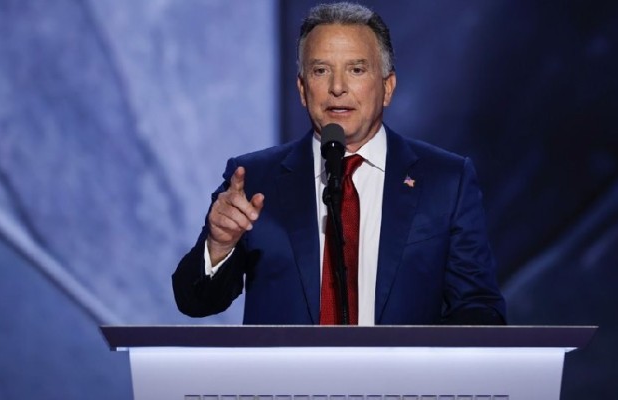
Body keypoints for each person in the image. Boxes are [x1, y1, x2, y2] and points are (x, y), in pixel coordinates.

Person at [172, 2, 506, 325]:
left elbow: (479, 309)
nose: (337, 88)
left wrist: (420, 359)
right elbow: (194, 301)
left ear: (387, 87)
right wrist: (219, 246)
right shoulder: (253, 180)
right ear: (302, 89)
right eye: (321, 71)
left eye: (356, 70)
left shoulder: (446, 181)